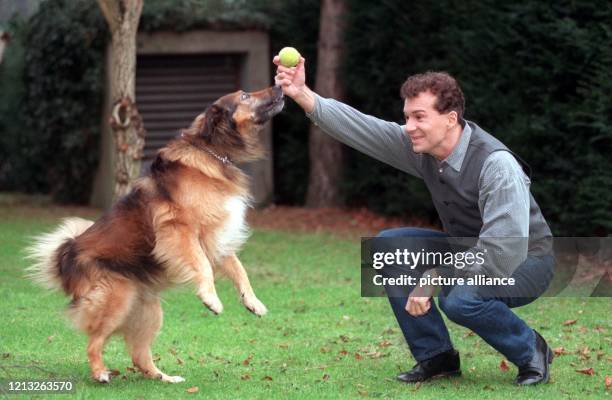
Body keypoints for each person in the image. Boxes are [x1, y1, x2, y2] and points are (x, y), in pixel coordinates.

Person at [274, 55, 556, 386]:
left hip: (523, 261)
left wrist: (436, 274)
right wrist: (302, 93)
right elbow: (363, 128)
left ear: (450, 119)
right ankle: (436, 357)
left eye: (419, 117)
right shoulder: (420, 146)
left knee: (460, 298)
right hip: (468, 251)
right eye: (407, 116)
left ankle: (531, 350)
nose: (409, 126)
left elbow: (501, 254)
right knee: (390, 246)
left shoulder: (497, 166)